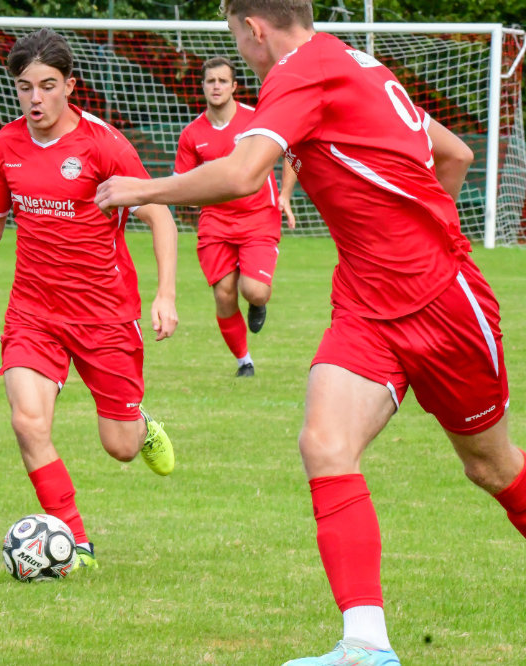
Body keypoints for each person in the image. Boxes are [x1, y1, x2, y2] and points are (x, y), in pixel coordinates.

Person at [95, 1, 526, 663]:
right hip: (367, 307)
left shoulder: (301, 71)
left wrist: (142, 189)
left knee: (491, 467)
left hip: (442, 305)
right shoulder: (351, 62)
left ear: (253, 28)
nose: (241, 53)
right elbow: (455, 153)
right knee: (324, 444)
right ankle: (366, 646)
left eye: (235, 36)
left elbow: (242, 174)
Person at [0, 28, 179, 571]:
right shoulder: (6, 146)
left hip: (105, 314)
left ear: (70, 85)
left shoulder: (103, 145)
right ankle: (75, 541)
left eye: (47, 86)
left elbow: (159, 213)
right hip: (34, 312)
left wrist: (165, 293)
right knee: (28, 422)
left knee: (118, 445)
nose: (35, 99)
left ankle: (141, 428)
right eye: (25, 87)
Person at [174, 56, 296, 377]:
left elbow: (292, 152)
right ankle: (245, 362)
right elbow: (181, 183)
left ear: (234, 86)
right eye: (210, 81)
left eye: (222, 81)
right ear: (203, 86)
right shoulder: (191, 134)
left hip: (259, 217)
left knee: (253, 290)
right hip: (215, 221)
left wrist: (284, 194)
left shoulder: (257, 120)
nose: (216, 86)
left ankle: (258, 301)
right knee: (224, 292)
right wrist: (189, 197)